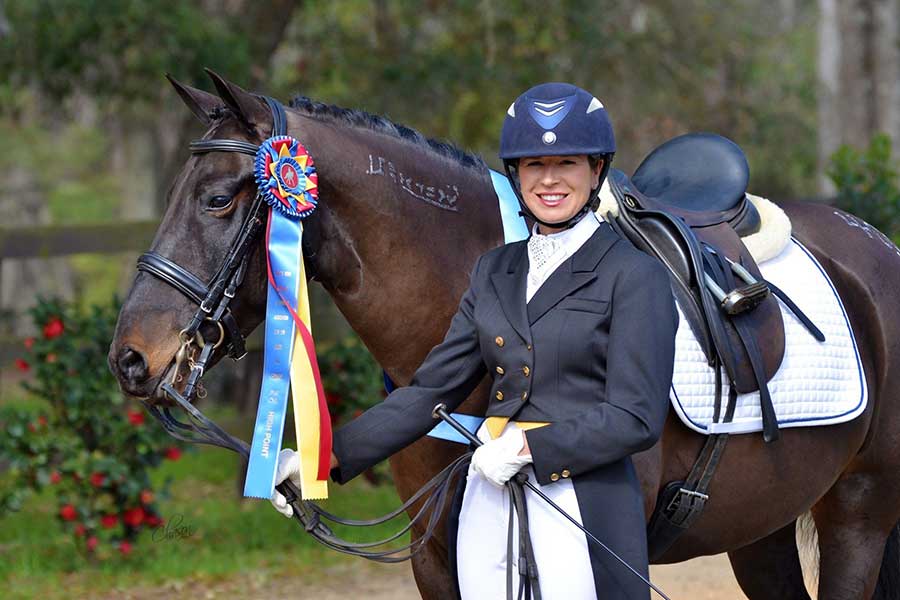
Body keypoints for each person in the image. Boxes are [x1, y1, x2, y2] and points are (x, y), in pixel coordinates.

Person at [271, 82, 678, 600]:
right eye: (533, 165)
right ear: (515, 175)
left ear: (596, 170)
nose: (549, 180)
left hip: (585, 505)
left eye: (567, 163)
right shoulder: (494, 271)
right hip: (491, 502)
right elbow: (426, 392)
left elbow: (635, 416)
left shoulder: (634, 274)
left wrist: (529, 446)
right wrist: (318, 460)